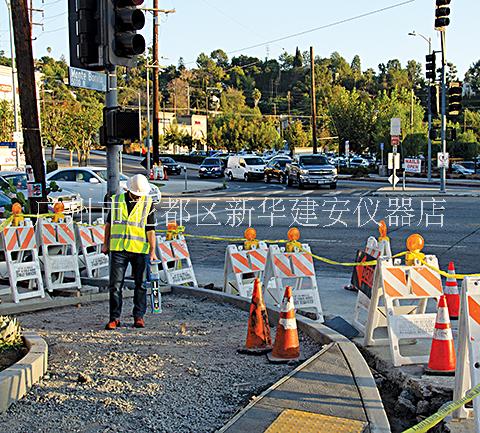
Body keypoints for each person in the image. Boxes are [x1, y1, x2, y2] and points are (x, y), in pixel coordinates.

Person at [102, 174, 158, 330]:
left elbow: (150, 230)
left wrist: (152, 251)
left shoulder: (148, 203)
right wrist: (105, 244)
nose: (139, 196)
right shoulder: (117, 201)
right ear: (129, 190)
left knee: (141, 285)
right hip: (118, 248)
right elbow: (109, 225)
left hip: (140, 250)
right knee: (115, 285)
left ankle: (138, 316)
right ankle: (114, 318)